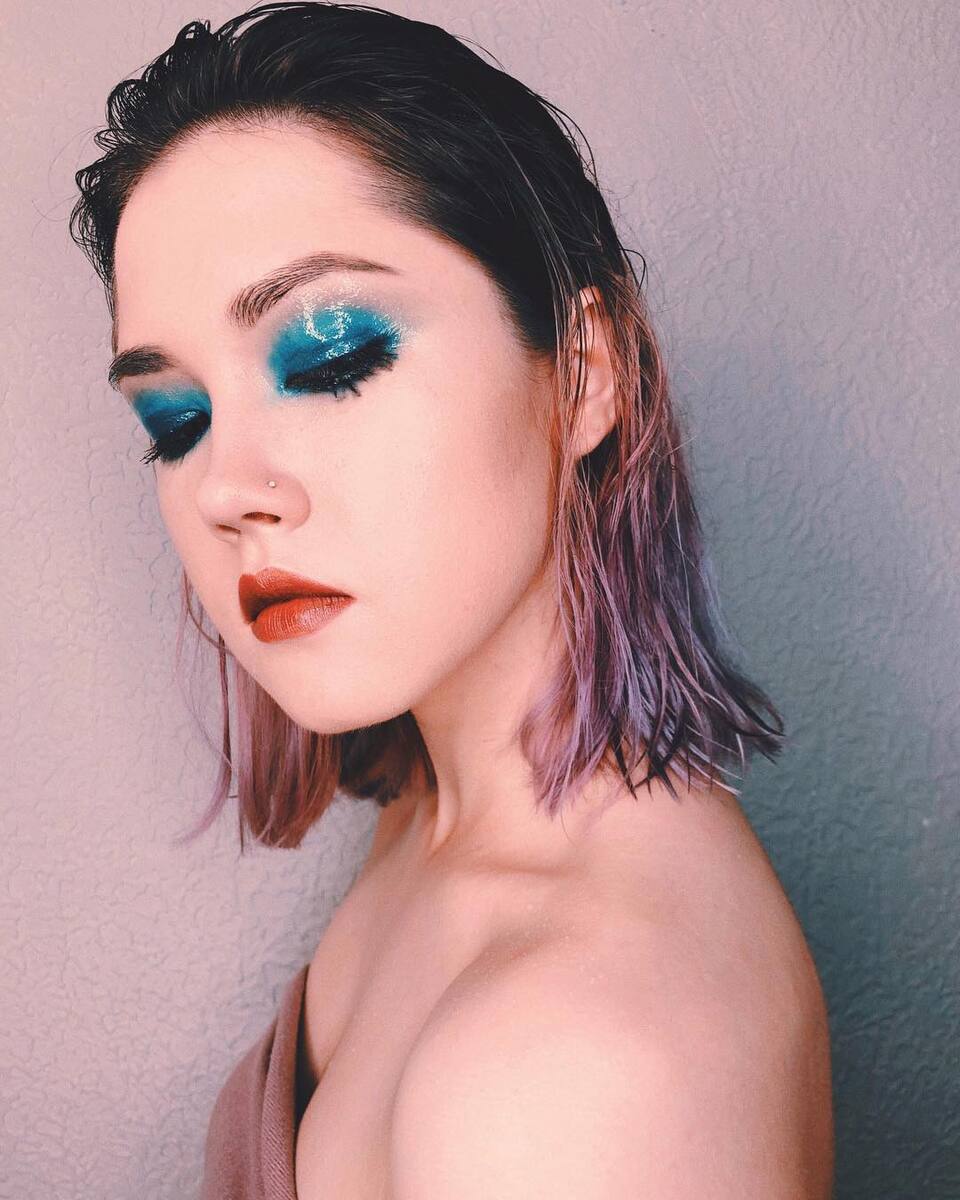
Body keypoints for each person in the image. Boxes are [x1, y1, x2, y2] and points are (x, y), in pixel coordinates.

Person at [69, 4, 834, 1196]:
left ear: (585, 372)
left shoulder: (575, 1068)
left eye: (331, 359)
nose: (223, 488)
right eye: (176, 419)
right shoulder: (439, 809)